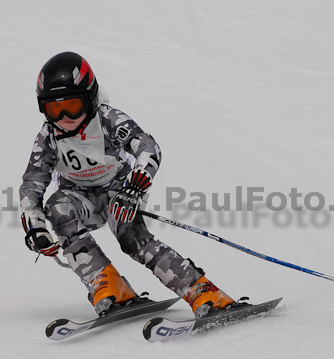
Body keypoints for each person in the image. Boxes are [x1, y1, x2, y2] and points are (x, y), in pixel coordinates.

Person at [19, 51, 237, 318]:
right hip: (79, 200)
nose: (65, 116)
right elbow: (33, 181)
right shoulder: (49, 135)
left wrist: (134, 187)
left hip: (119, 194)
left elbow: (148, 148)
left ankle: (201, 291)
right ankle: (108, 284)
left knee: (130, 237)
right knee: (58, 207)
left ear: (90, 97)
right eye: (54, 108)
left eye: (73, 105)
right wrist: (35, 226)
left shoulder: (108, 120)